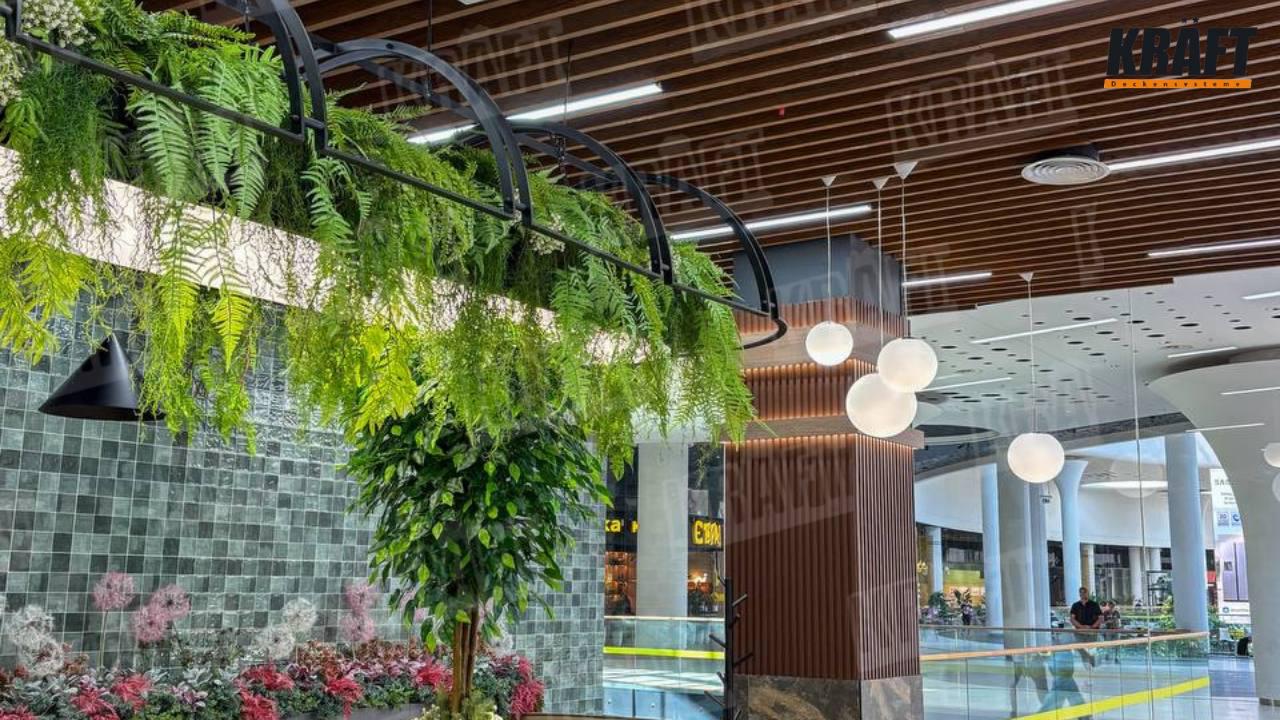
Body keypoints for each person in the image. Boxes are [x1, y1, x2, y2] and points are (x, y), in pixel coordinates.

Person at [1069, 587, 1103, 666]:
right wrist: (1081, 626)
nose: (1083, 594)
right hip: (1079, 632)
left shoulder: (1094, 604)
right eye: (1081, 592)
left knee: (1092, 648)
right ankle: (1089, 659)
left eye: (1084, 592)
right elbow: (1072, 619)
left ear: (1087, 593)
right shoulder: (1075, 605)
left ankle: (1090, 662)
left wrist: (1092, 627)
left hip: (1092, 631)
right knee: (1079, 647)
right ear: (1079, 594)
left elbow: (1101, 618)